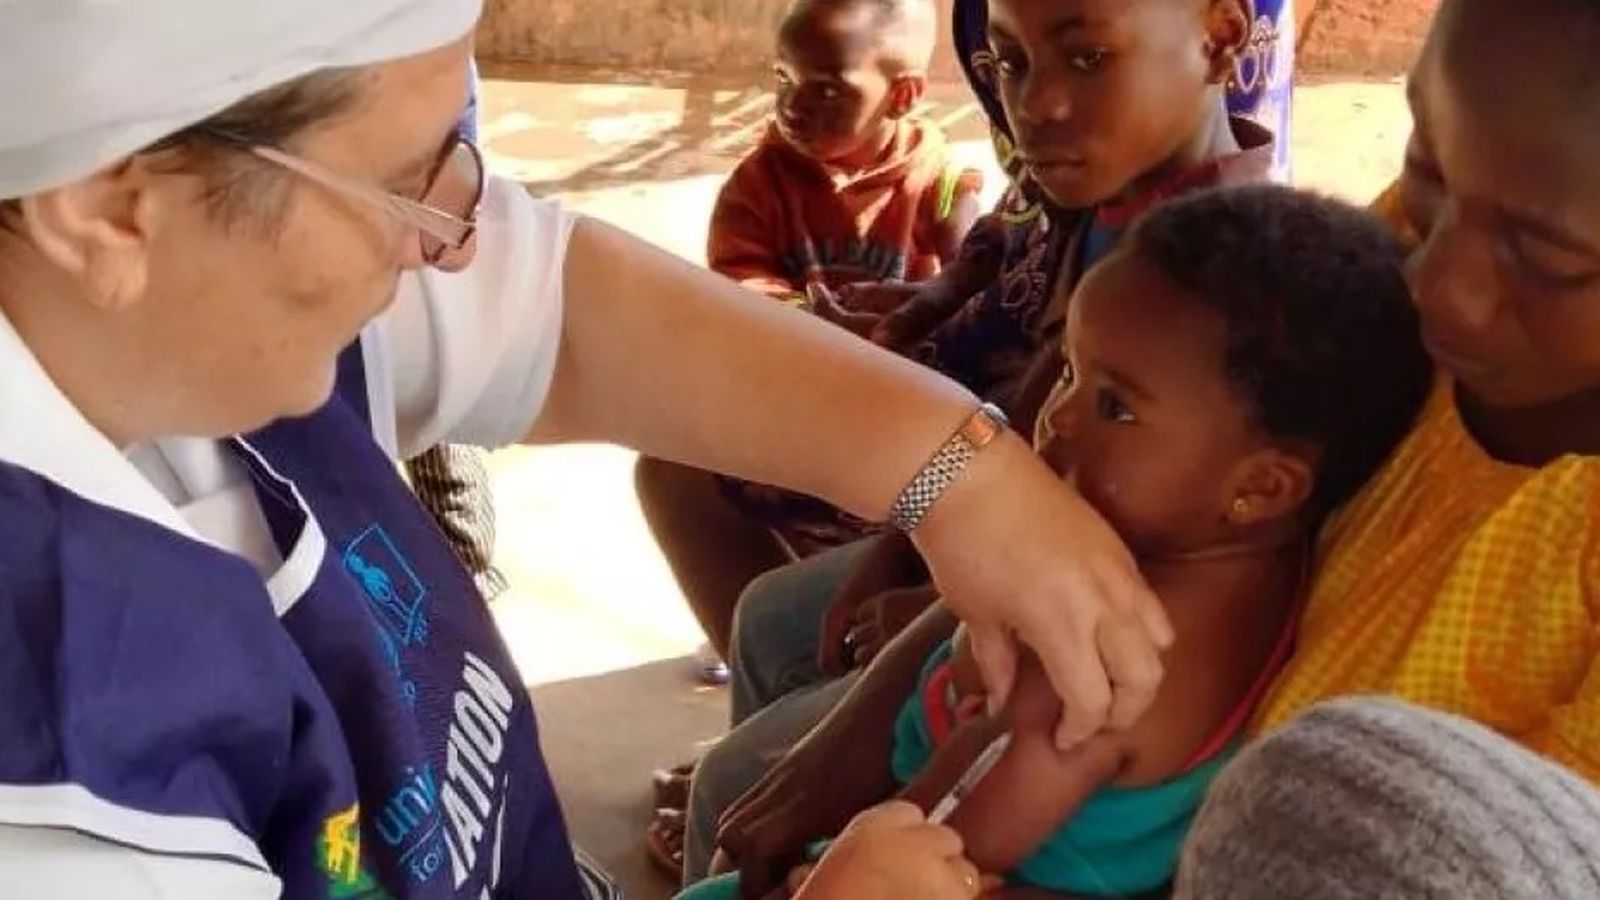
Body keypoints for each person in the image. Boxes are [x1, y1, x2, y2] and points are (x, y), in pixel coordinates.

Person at [0, 2, 1181, 898]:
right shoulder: (60, 806)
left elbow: (557, 310)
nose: (462, 237)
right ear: (110, 203)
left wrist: (962, 473)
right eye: (409, 180)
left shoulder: (178, 287)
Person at [713, 0, 1600, 891]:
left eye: (1547, 258)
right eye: (1426, 170)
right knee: (769, 669)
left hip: (1137, 811)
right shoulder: (1390, 257)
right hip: (1094, 589)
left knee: (740, 782)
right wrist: (869, 705)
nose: (1433, 284)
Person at [678, 184, 1432, 899]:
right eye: (1070, 371)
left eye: (1116, 407)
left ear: (1262, 487)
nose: (1059, 418)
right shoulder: (1232, 556)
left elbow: (934, 848)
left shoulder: (1095, 661)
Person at [672, 0, 1283, 881]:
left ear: (1220, 38)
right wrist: (903, 546)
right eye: (1010, 65)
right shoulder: (1095, 186)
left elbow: (1083, 529)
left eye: (1086, 59)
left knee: (741, 780)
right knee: (769, 621)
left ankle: (758, 809)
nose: (1035, 105)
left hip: (1010, 578)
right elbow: (1028, 414)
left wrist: (918, 611)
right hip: (973, 517)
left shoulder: (1208, 278)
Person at [636, 0, 986, 661]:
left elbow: (972, 272)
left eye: (825, 89)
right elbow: (740, 290)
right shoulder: (759, 184)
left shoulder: (939, 179)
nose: (792, 106)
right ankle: (757, 680)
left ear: (903, 94)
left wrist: (920, 307)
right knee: (670, 471)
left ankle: (815, 698)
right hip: (796, 405)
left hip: (897, 423)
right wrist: (806, 321)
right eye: (783, 80)